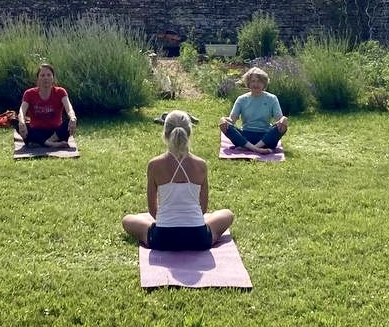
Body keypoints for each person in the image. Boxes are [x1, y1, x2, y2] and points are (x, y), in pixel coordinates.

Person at [122, 110, 235, 250]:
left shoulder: (154, 165)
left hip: (162, 238)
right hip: (198, 238)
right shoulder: (200, 164)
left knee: (128, 220)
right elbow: (203, 209)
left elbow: (152, 210)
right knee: (227, 214)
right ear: (189, 133)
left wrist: (169, 221)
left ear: (165, 134)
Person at [220, 66, 289, 152]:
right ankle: (257, 149)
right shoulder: (241, 99)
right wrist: (223, 120)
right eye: (253, 81)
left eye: (259, 81)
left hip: (266, 137)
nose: (256, 84)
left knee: (283, 126)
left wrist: (284, 119)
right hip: (245, 136)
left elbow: (279, 120)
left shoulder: (272, 98)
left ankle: (252, 148)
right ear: (248, 83)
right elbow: (231, 121)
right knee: (225, 126)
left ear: (264, 83)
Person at [18, 63, 78, 148]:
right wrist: (21, 122)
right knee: (15, 121)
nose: (46, 78)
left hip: (56, 133)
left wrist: (73, 118)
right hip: (36, 131)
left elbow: (69, 109)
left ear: (53, 78)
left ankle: (44, 142)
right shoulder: (29, 93)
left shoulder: (61, 92)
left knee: (69, 122)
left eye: (49, 75)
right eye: (42, 75)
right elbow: (21, 111)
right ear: (38, 78)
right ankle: (52, 144)